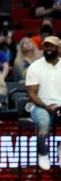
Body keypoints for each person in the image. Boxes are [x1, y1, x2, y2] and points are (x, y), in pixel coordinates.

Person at [26, 36, 61, 170]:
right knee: (44, 121)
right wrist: (47, 107)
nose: (48, 49)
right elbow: (31, 94)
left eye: (51, 46)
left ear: (58, 48)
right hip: (40, 106)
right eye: (46, 46)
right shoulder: (35, 67)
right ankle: (43, 152)